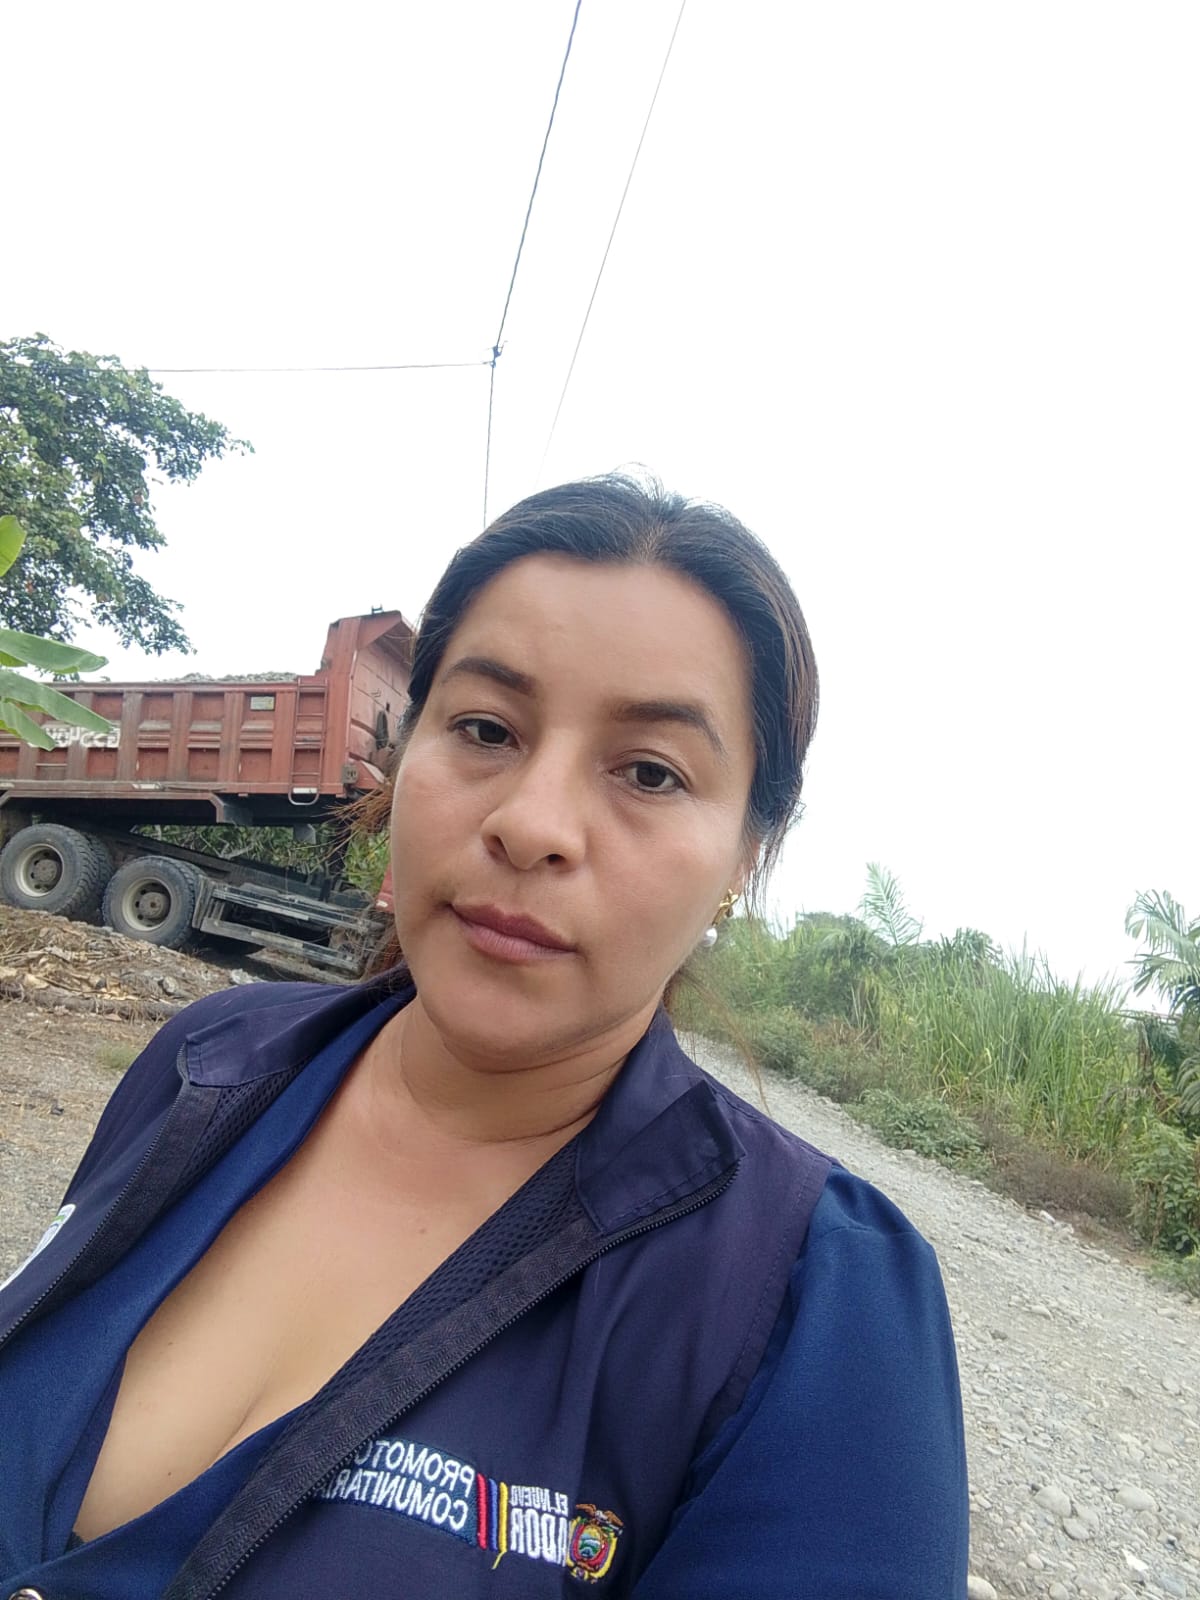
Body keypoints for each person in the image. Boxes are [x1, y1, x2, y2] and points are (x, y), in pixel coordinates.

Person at [0, 474, 969, 1598]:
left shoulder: (818, 1302)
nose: (531, 824)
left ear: (744, 861)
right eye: (485, 729)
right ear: (402, 757)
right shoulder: (210, 1064)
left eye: (650, 772)